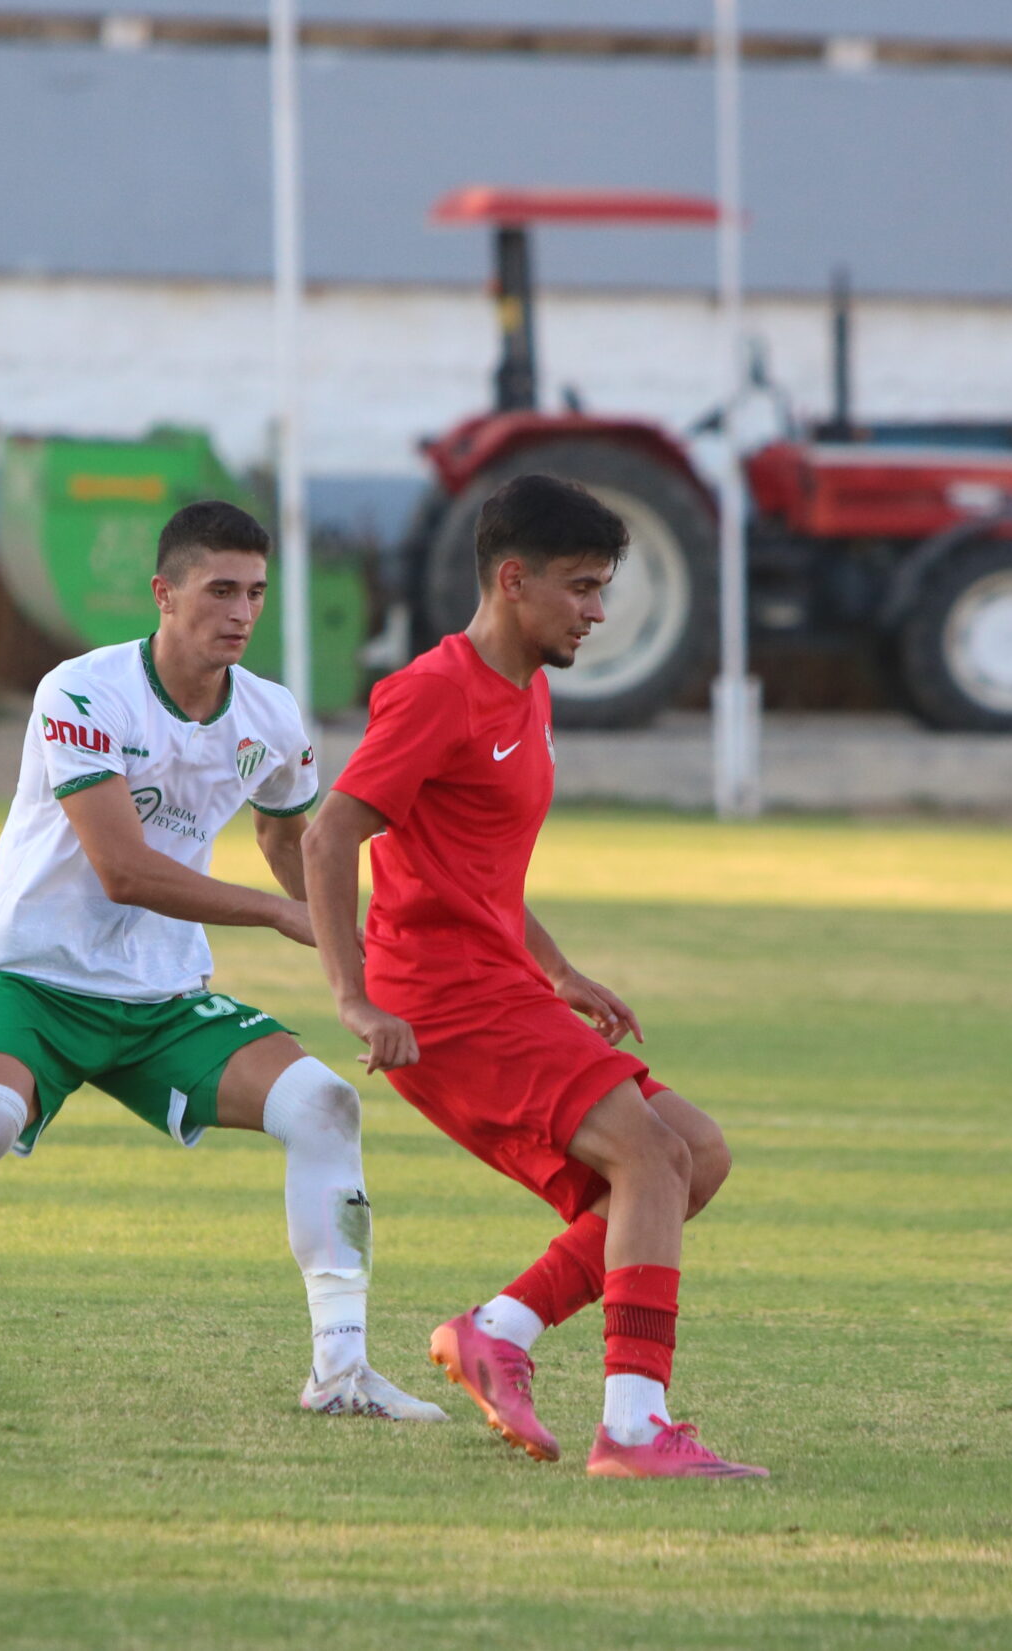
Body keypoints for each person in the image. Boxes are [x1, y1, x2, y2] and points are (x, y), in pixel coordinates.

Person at [0, 501, 443, 1423]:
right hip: (37, 978)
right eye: (220, 590)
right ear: (164, 593)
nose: (240, 612)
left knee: (324, 1104)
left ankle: (341, 1373)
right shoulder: (82, 691)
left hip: (162, 997)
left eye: (256, 593)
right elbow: (124, 870)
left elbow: (288, 840)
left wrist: (359, 962)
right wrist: (279, 914)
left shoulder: (270, 714)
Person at [303, 473, 766, 1479]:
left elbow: (473, 863)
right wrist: (353, 997)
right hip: (443, 1000)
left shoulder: (528, 685)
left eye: (602, 588)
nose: (597, 612)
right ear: (513, 580)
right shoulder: (435, 691)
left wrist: (554, 966)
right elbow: (330, 833)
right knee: (649, 1157)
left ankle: (498, 1330)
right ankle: (633, 1427)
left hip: (502, 983)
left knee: (697, 1154)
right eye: (581, 587)